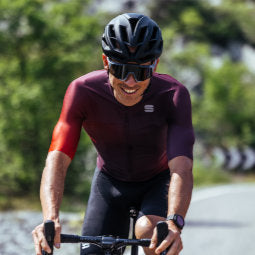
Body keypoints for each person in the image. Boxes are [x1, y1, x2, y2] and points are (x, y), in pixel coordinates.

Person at [32, 13, 195, 255]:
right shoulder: (82, 91)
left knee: (152, 233)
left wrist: (174, 223)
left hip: (157, 182)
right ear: (105, 62)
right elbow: (57, 158)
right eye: (120, 70)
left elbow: (181, 168)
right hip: (109, 182)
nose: (130, 81)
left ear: (156, 65)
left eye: (141, 72)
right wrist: (50, 218)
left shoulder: (173, 94)